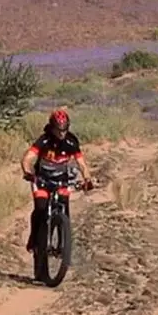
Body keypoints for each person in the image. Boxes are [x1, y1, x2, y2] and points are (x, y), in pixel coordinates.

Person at [21, 107, 94, 252]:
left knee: (64, 203)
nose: (61, 133)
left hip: (62, 179)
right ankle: (33, 238)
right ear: (52, 128)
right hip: (41, 179)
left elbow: (82, 164)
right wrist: (28, 172)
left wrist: (87, 179)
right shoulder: (44, 140)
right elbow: (27, 159)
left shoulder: (71, 142)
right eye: (58, 130)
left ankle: (63, 243)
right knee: (40, 207)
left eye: (64, 130)